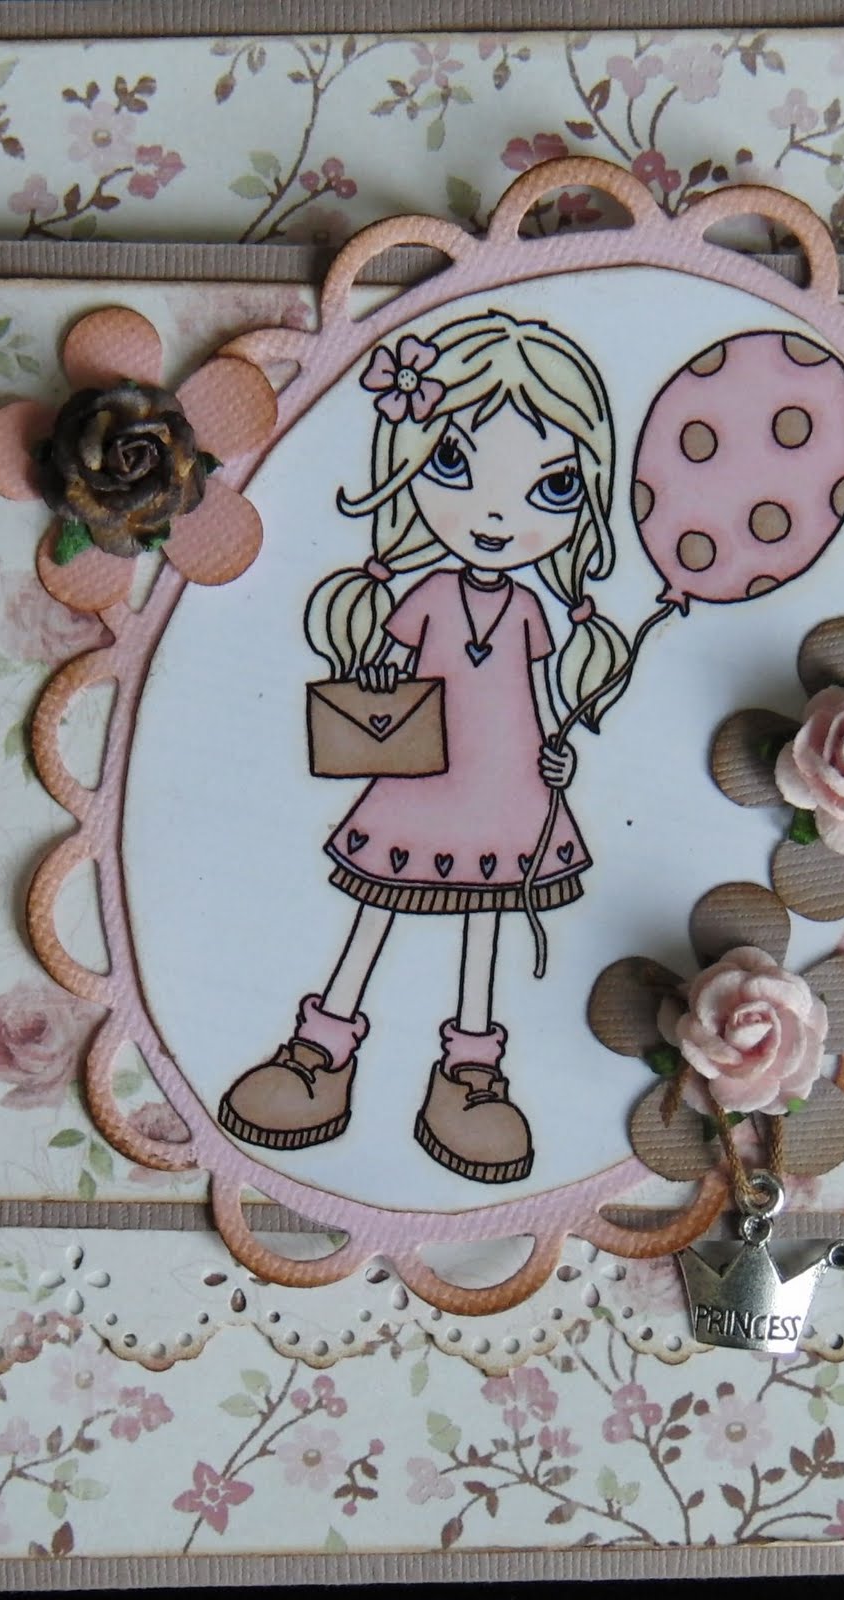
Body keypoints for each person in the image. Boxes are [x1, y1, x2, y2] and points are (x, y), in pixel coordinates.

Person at [218, 310, 630, 1182]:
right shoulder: (429, 596)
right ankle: (319, 1051)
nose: (496, 514)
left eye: (552, 486)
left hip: (508, 789)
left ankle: (469, 1075)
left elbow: (539, 700)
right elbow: (394, 668)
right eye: (452, 464)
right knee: (377, 905)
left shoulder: (529, 610)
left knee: (485, 919)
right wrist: (372, 679)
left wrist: (559, 757)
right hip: (422, 781)